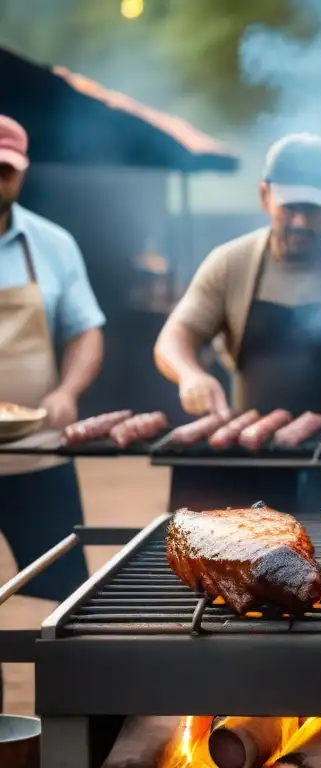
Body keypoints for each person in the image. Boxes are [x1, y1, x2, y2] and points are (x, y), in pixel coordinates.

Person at [154, 133, 321, 509]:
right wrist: (190, 374)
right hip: (248, 457)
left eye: (313, 209)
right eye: (290, 207)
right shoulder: (230, 262)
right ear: (264, 196)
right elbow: (174, 338)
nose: (301, 221)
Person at [0, 116, 104, 600]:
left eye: (5, 169)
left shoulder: (53, 244)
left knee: (63, 597)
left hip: (38, 454)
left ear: (22, 172)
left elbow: (85, 332)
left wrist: (68, 390)